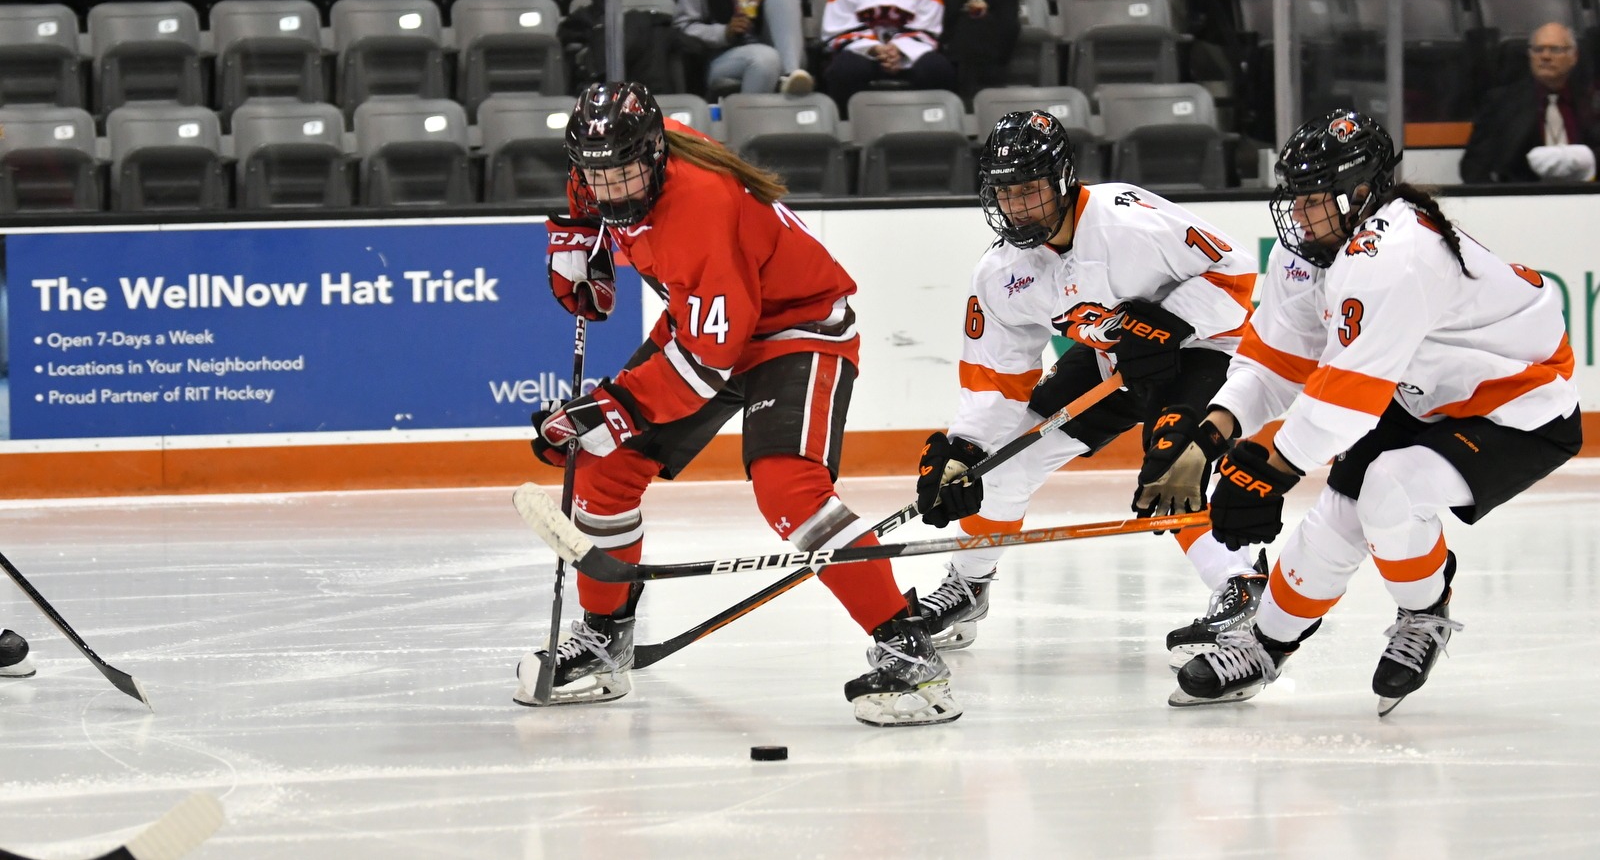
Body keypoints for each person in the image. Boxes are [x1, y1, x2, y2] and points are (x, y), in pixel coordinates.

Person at [515, 81, 961, 727]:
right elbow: (591, 201)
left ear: (655, 155)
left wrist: (612, 407)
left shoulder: (700, 207)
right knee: (603, 471)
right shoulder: (611, 162)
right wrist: (578, 242)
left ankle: (910, 654)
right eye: (596, 177)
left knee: (790, 489)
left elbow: (703, 366)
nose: (610, 189)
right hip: (709, 320)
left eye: (622, 175)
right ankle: (605, 638)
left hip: (796, 326)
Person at [1162, 109, 1580, 714]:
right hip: (1418, 392)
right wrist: (1213, 433)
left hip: (1517, 405)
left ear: (1361, 192)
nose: (1298, 213)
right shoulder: (1309, 250)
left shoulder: (1398, 251)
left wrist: (1272, 468)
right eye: (1295, 197)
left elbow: (1348, 392)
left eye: (1312, 199)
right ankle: (1264, 645)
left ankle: (1423, 613)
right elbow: (1274, 362)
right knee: (1336, 517)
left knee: (1390, 490)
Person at [911, 110, 1263, 667]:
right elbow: (997, 375)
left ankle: (1241, 585)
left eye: (1030, 189)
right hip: (1112, 358)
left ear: (1062, 179)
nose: (1018, 206)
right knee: (1001, 464)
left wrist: (1170, 321)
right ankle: (969, 585)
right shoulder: (1001, 273)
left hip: (1205, 347)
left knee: (1171, 468)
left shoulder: (1129, 222)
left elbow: (1236, 273)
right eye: (1006, 193)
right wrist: (965, 450)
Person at [1460, 22, 1600, 184]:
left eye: (1555, 49)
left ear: (1573, 57)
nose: (1545, 56)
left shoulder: (1591, 101)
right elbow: (1474, 165)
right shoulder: (1502, 103)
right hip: (1521, 199)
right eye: (1538, 50)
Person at [819, 0, 959, 114]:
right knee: (845, 70)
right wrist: (874, 48)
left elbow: (928, 28)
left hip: (909, 54)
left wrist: (899, 49)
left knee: (937, 68)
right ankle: (847, 129)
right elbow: (839, 27)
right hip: (864, 52)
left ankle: (933, 127)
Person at [674, 0, 815, 95]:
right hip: (723, 54)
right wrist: (724, 32)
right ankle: (751, 117)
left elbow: (792, 5)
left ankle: (790, 76)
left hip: (782, 49)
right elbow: (684, 27)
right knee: (766, 59)